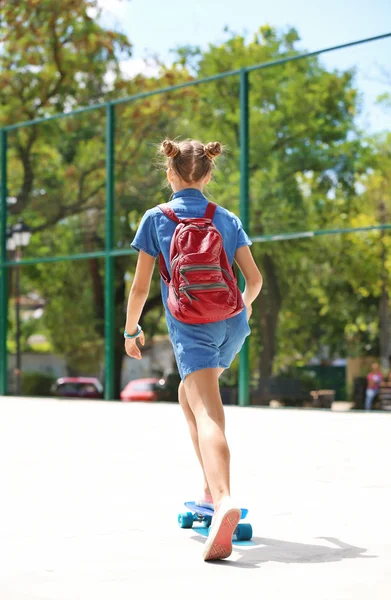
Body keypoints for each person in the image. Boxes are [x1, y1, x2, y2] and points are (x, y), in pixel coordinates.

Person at [123, 139, 263, 561]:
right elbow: (253, 281)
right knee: (189, 396)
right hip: (233, 322)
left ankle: (223, 501)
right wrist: (241, 311)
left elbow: (141, 288)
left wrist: (131, 331)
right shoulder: (226, 217)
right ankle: (208, 491)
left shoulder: (155, 218)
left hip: (192, 325)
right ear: (207, 175)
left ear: (170, 173)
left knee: (207, 413)